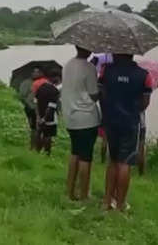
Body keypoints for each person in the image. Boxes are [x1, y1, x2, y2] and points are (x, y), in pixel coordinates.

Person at [99, 53, 153, 212]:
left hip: (111, 121)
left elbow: (101, 94)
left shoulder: (105, 71)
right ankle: (121, 204)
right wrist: (133, 110)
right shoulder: (144, 75)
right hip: (130, 123)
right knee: (125, 163)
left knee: (113, 161)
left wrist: (109, 109)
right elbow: (145, 102)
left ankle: (107, 201)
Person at [61, 45, 100, 201]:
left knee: (75, 153)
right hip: (86, 118)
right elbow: (94, 95)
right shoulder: (89, 67)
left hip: (71, 117)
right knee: (86, 157)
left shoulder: (68, 64)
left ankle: (70, 191)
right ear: (88, 49)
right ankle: (84, 194)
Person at [35, 68, 61, 156]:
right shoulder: (54, 91)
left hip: (40, 114)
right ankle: (47, 154)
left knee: (39, 133)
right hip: (50, 117)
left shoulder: (41, 88)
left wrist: (38, 117)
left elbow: (36, 103)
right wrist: (45, 118)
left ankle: (37, 151)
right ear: (55, 78)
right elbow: (51, 107)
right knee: (48, 136)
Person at [19, 67, 43, 150]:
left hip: (40, 108)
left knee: (39, 129)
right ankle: (32, 146)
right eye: (34, 72)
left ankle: (38, 146)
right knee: (33, 128)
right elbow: (22, 96)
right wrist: (28, 104)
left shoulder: (43, 83)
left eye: (38, 72)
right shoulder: (26, 83)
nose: (36, 74)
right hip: (30, 108)